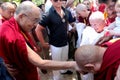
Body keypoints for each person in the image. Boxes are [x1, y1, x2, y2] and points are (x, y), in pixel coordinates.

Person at [0, 1, 79, 80]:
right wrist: (73, 64)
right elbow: (40, 63)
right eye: (34, 20)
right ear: (22, 16)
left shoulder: (13, 25)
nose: (35, 25)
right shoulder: (12, 35)